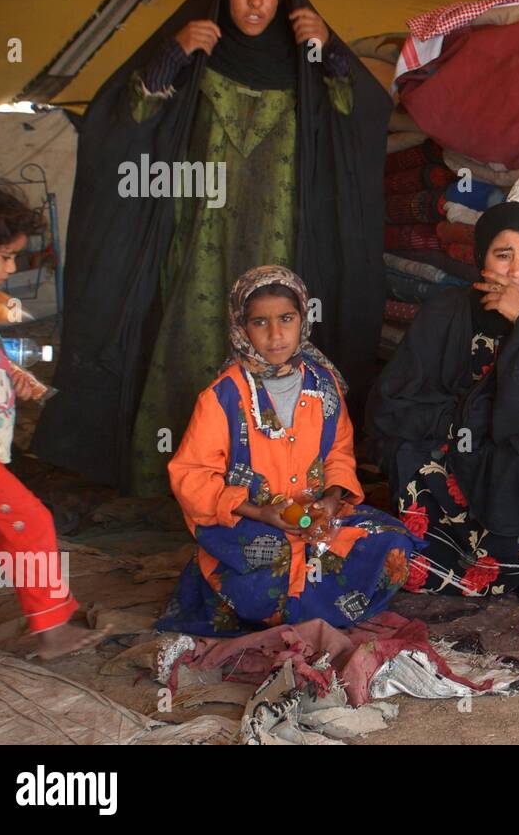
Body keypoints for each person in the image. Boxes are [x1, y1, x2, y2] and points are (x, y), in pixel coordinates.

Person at [32, 0, 391, 496]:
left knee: (271, 347)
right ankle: (180, 479)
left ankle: (265, 483)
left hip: (279, 243)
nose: (255, 1)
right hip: (196, 239)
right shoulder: (198, 56)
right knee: (193, 343)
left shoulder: (307, 67)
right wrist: (171, 54)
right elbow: (126, 122)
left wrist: (331, 54)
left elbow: (364, 118)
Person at [365, 203, 519, 598]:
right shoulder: (446, 310)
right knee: (405, 448)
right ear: (481, 259)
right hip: (459, 450)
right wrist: (469, 424)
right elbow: (394, 402)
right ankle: (457, 556)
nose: (515, 270)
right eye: (503, 255)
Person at [157, 266, 416, 636]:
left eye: (286, 319)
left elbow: (339, 454)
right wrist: (259, 510)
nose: (276, 335)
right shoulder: (223, 397)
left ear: (303, 320)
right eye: (260, 322)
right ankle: (300, 606)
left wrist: (328, 501)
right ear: (241, 327)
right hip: (251, 524)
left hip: (314, 519)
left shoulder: (323, 386)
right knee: (272, 555)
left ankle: (302, 605)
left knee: (392, 542)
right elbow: (192, 476)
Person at [0, 176, 106, 659]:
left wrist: (12, 376)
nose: (12, 267)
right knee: (30, 521)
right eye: (4, 256)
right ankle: (51, 622)